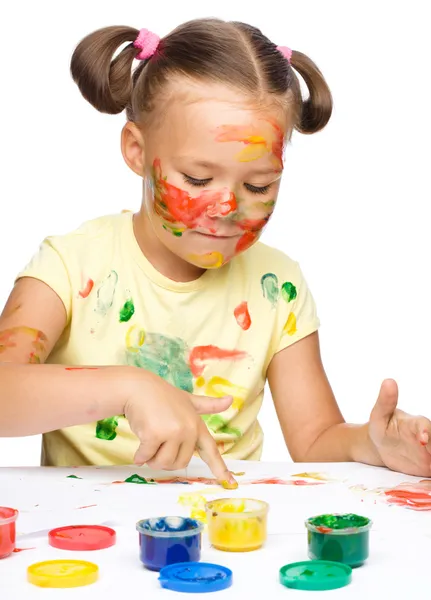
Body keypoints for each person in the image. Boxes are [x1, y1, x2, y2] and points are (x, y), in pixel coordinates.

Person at [0, 18, 430, 482]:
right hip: (88, 538)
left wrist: (371, 443)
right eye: (198, 179)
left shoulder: (276, 287)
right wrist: (128, 387)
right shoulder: (70, 265)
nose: (227, 207)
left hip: (230, 531)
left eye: (258, 184)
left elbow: (315, 439)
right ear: (136, 151)